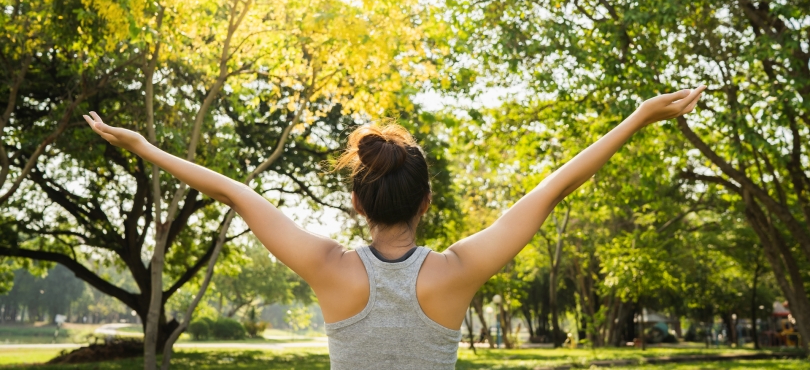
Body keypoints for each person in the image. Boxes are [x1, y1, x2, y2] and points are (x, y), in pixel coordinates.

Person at [83, 86, 705, 369]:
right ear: (426, 202)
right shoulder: (455, 274)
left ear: (358, 203)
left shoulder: (330, 270)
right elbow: (552, 190)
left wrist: (143, 145)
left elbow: (233, 192)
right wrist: (638, 119)